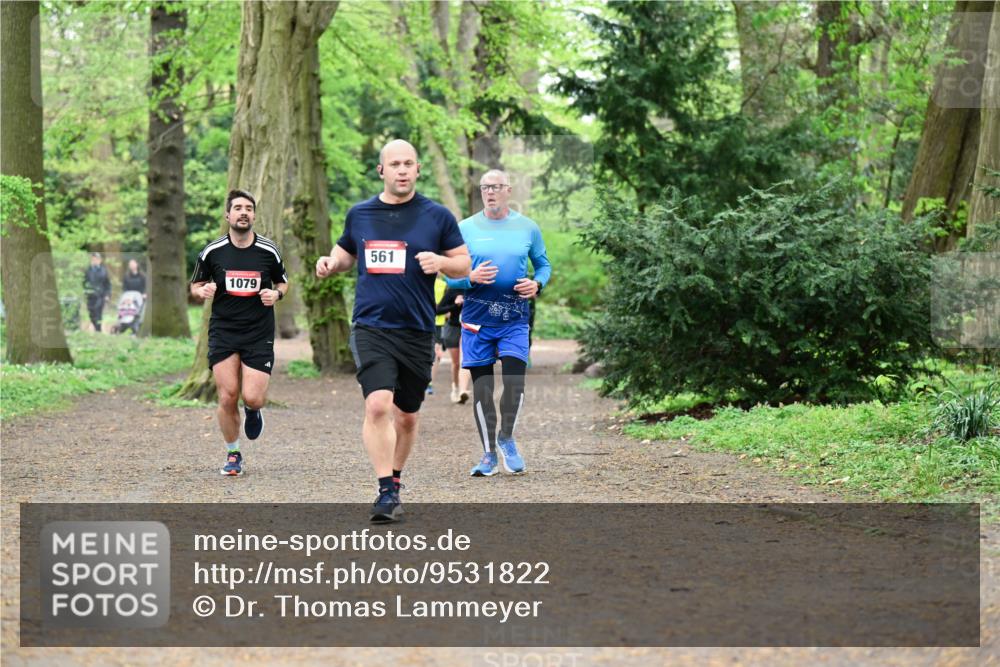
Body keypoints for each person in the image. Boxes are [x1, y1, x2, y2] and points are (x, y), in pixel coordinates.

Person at [315, 139, 470, 522]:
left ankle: (396, 478)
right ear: (381, 171)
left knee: (407, 416)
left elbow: (464, 264)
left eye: (408, 164)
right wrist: (331, 263)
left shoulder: (437, 217)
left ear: (418, 169)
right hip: (371, 325)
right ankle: (385, 491)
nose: (402, 170)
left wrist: (441, 262)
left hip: (416, 329)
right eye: (394, 164)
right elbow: (347, 254)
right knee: (378, 404)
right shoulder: (361, 214)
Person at [447, 169, 551, 477]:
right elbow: (445, 273)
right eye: (484, 188)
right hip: (476, 321)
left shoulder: (528, 228)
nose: (490, 192)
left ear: (508, 190)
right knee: (482, 390)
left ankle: (507, 437)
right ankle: (489, 454)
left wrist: (537, 284)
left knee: (515, 382)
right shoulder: (463, 229)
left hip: (514, 318)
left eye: (496, 187)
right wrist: (469, 279)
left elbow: (543, 264)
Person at [190, 189, 289, 477]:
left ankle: (254, 411)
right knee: (227, 395)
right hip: (224, 330)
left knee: (253, 397)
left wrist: (276, 295)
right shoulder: (212, 251)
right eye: (238, 208)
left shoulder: (268, 251)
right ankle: (233, 453)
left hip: (259, 332)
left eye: (248, 208)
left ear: (254, 215)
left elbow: (283, 283)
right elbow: (195, 285)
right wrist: (202, 290)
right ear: (228, 215)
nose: (243, 212)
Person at [436, 283, 471, 403]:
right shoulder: (453, 289)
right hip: (453, 328)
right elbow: (438, 310)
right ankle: (455, 388)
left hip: (469, 328)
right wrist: (454, 305)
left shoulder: (475, 288)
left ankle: (463, 390)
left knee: (465, 360)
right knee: (456, 363)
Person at [82, 252, 111, 332]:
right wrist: (86, 292)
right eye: (93, 259)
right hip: (90, 296)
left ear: (100, 260)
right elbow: (84, 282)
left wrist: (107, 294)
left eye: (96, 259)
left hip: (100, 295)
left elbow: (107, 284)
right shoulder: (88, 270)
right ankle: (96, 327)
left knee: (98, 312)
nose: (95, 261)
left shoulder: (103, 271)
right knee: (91, 313)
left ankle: (98, 330)